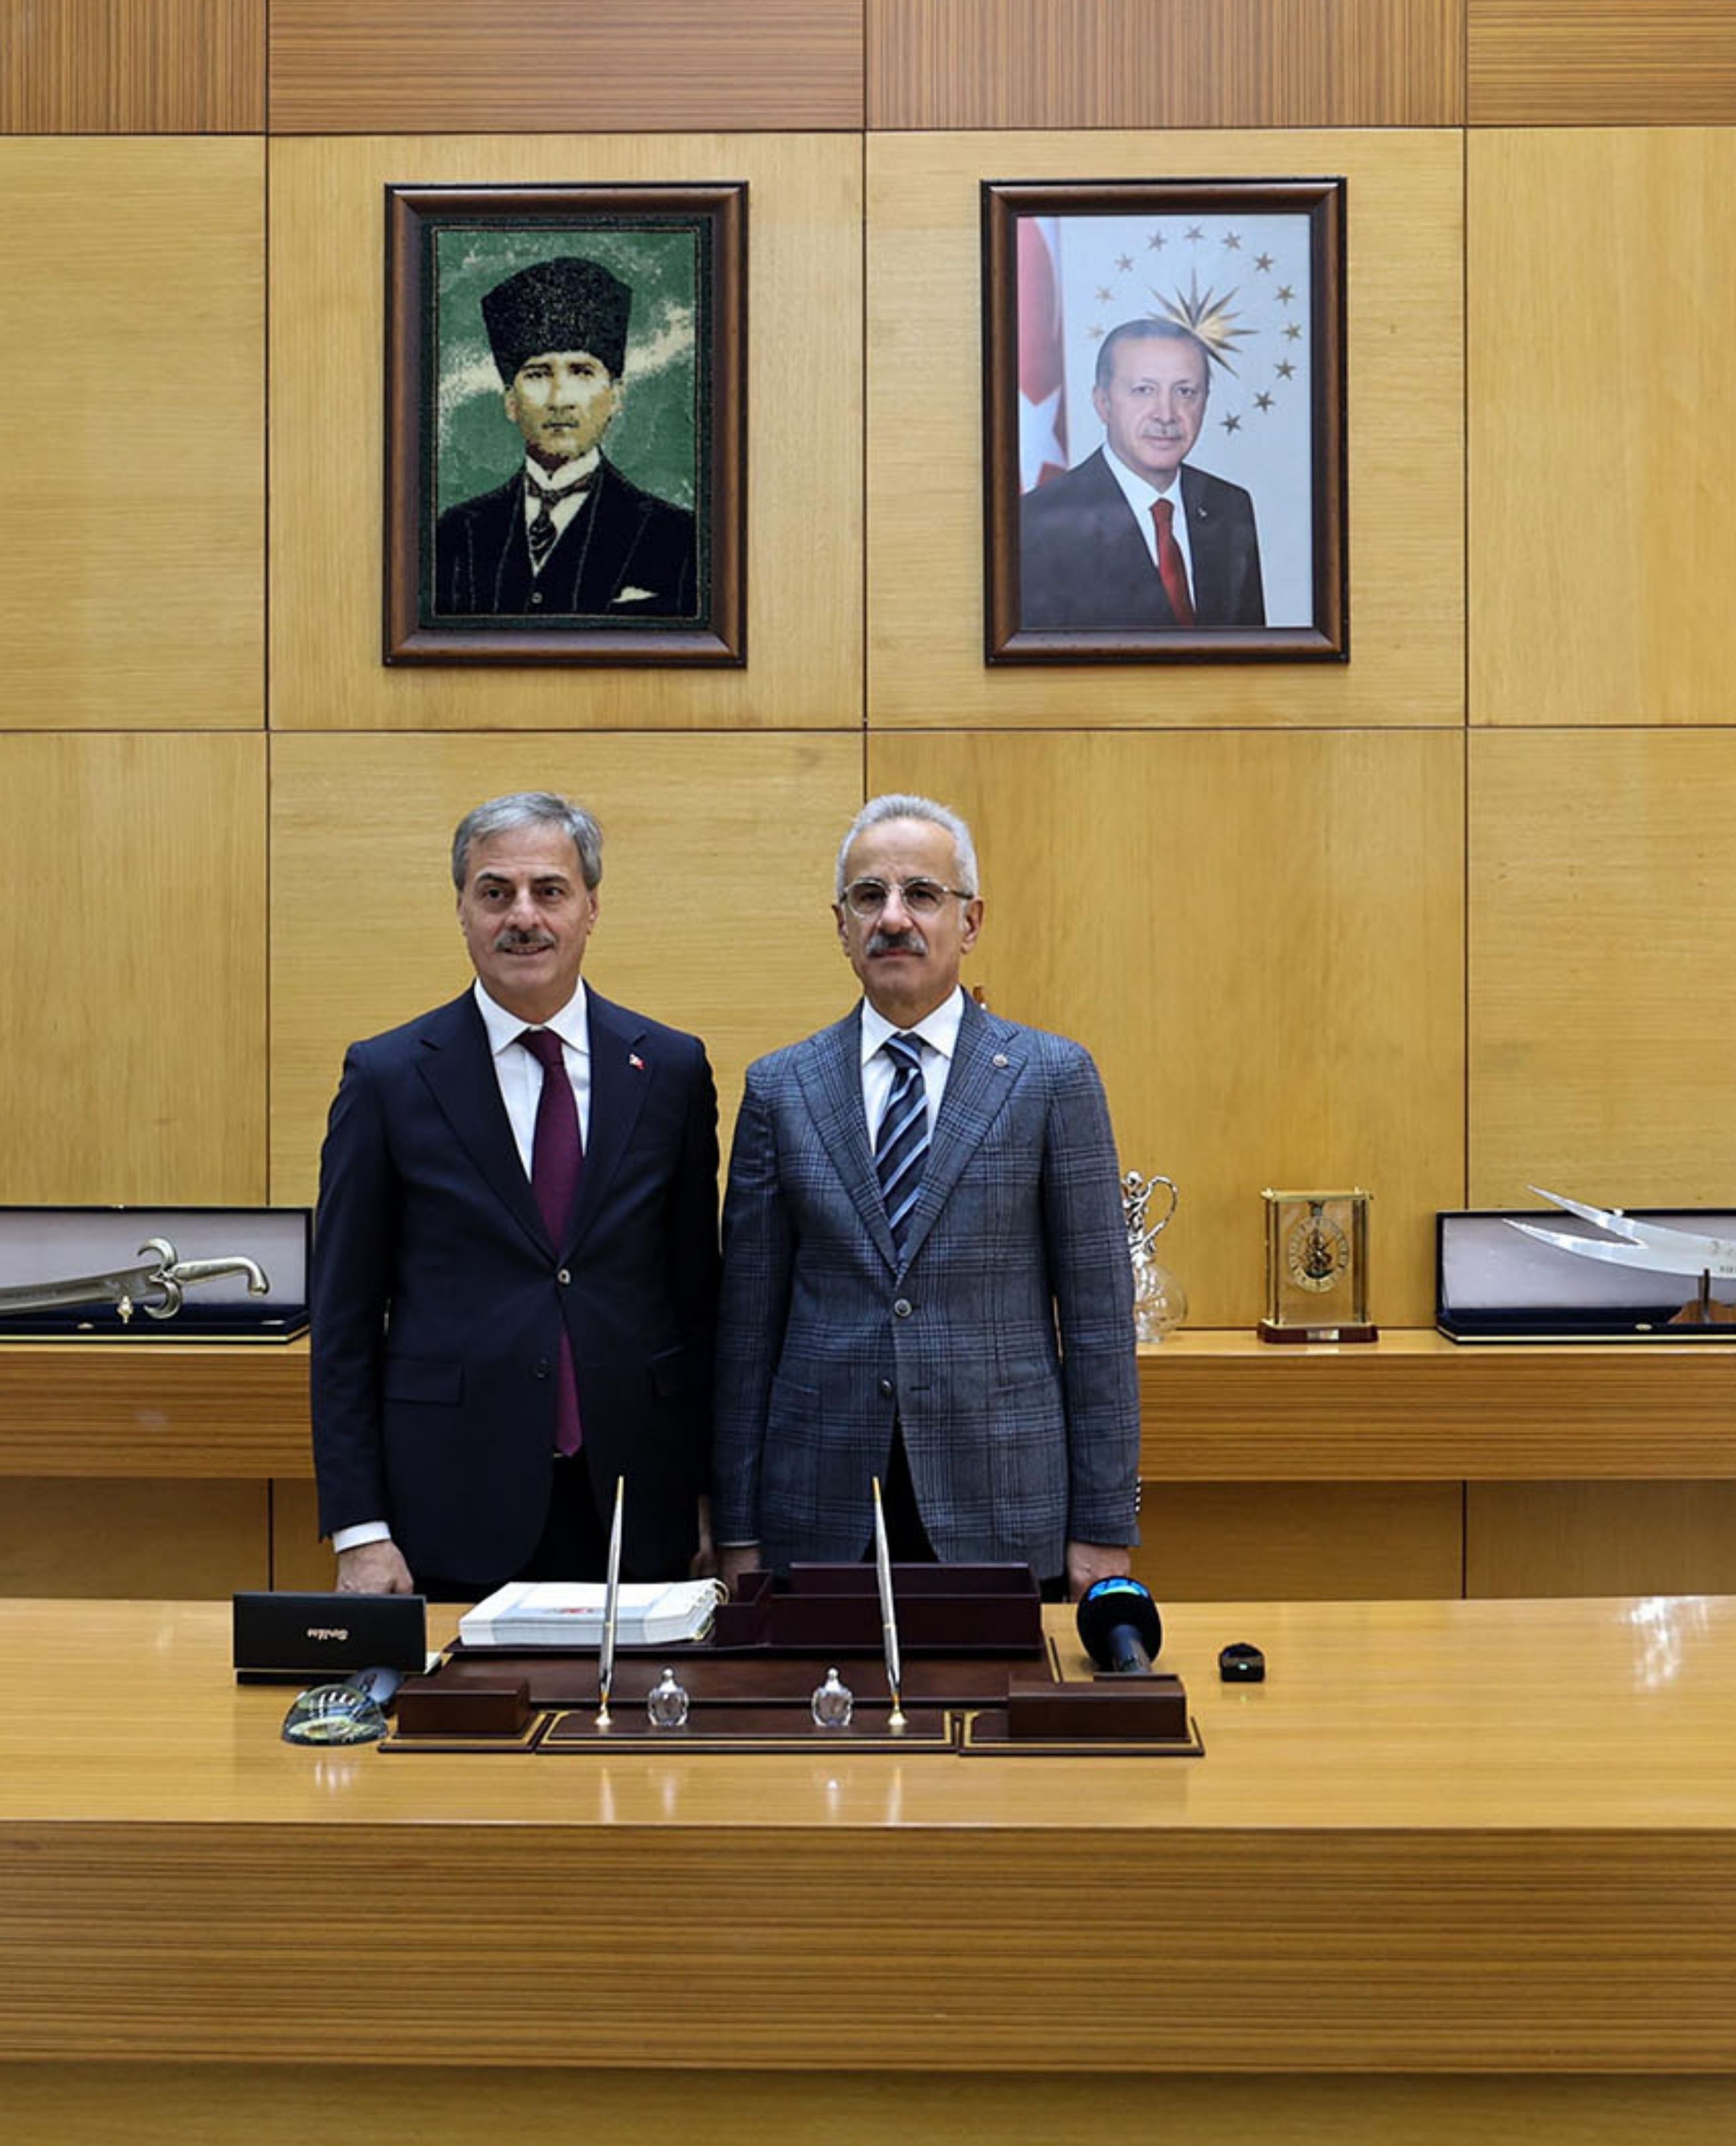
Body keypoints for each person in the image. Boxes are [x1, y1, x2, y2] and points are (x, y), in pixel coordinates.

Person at [712, 794, 1140, 1602]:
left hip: (1006, 1504)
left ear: (970, 923)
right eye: (868, 897)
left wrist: (1105, 1525)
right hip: (820, 1507)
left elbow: (1096, 1323)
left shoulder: (1053, 1077)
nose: (893, 918)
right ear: (841, 925)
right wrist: (738, 1529)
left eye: (922, 895)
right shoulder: (780, 1088)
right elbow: (747, 1332)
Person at [310, 792, 719, 1597]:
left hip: (638, 1510)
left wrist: (712, 1500)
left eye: (550, 891)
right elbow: (345, 1320)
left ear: (591, 909)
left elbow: (698, 1306)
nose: (522, 916)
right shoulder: (389, 1078)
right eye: (495, 893)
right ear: (462, 910)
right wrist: (361, 1531)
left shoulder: (669, 1070)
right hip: (452, 1506)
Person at [432, 256, 699, 619]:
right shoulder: (456, 534)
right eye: (538, 374)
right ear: (511, 402)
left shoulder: (678, 538)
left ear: (616, 396)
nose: (560, 400)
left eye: (582, 372)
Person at [1018, 317, 1265, 632]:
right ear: (1103, 403)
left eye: (1186, 392)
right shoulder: (1040, 522)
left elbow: (1252, 664)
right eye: (1144, 390)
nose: (1166, 414)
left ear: (1205, 402)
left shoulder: (1229, 507)